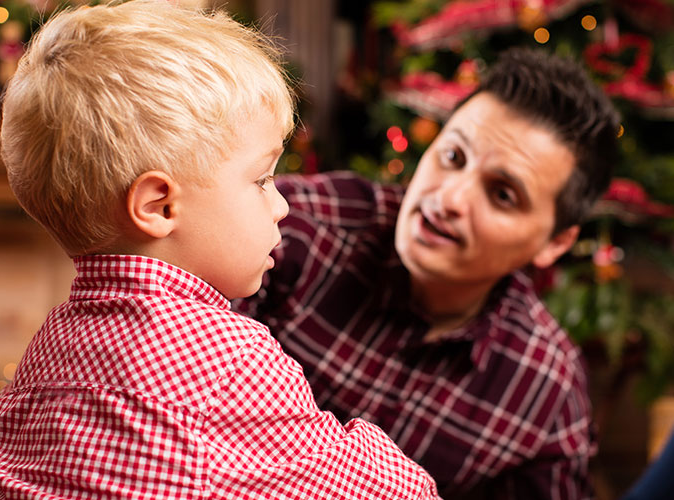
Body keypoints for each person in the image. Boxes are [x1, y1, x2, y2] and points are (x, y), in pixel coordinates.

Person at [0, 1, 441, 498]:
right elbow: (392, 490)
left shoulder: (47, 353)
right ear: (158, 206)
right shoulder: (230, 362)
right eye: (261, 179)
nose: (282, 205)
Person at [233, 47, 621, 499]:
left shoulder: (544, 392)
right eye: (454, 157)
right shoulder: (292, 224)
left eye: (502, 194)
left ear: (556, 242)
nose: (450, 198)